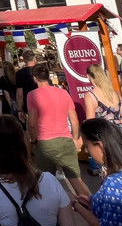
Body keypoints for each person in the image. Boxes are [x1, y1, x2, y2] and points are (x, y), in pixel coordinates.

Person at [26, 63, 90, 198]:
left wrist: (33, 141)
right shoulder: (63, 93)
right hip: (66, 140)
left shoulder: (32, 95)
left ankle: (53, 210)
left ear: (34, 78)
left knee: (44, 182)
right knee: (76, 179)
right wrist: (75, 138)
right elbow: (74, 120)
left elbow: (32, 123)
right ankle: (89, 207)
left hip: (45, 143)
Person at [14, 49, 39, 123]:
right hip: (43, 104)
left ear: (24, 60)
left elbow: (19, 94)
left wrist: (19, 109)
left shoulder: (20, 73)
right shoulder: (41, 70)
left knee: (32, 129)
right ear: (34, 58)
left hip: (28, 106)